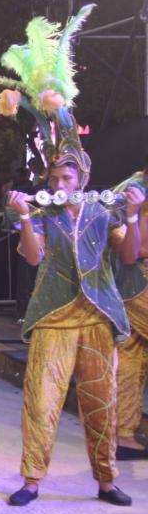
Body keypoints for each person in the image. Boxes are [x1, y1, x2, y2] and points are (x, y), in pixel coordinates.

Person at [0, 5, 141, 507]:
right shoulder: (43, 214)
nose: (59, 184)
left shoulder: (102, 211)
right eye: (54, 178)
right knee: (43, 401)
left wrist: (136, 217)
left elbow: (129, 257)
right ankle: (32, 479)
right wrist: (28, 218)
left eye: (67, 178)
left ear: (83, 179)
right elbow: (31, 261)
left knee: (101, 403)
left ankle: (106, 481)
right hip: (53, 316)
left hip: (99, 316)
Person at [112, 170, 148, 460]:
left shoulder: (133, 183)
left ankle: (124, 435)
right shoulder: (138, 187)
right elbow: (137, 246)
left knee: (131, 356)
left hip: (129, 285)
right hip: (138, 283)